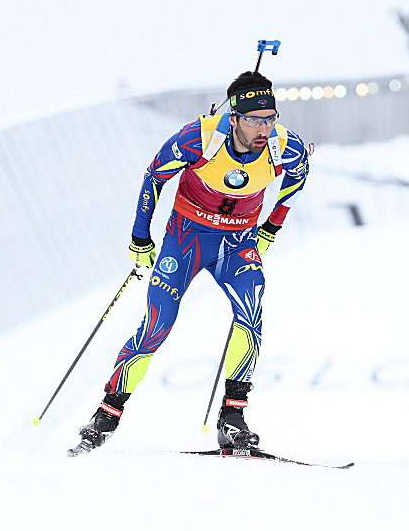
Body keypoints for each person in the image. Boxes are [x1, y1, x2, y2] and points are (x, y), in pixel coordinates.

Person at [70, 70, 310, 454]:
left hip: (237, 243)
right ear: (234, 118)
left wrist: (271, 227)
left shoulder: (285, 146)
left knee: (250, 312)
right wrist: (140, 236)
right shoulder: (198, 138)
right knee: (156, 325)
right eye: (254, 120)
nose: (264, 129)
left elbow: (298, 177)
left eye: (270, 119)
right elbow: (154, 178)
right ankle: (107, 414)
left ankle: (232, 418)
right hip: (186, 240)